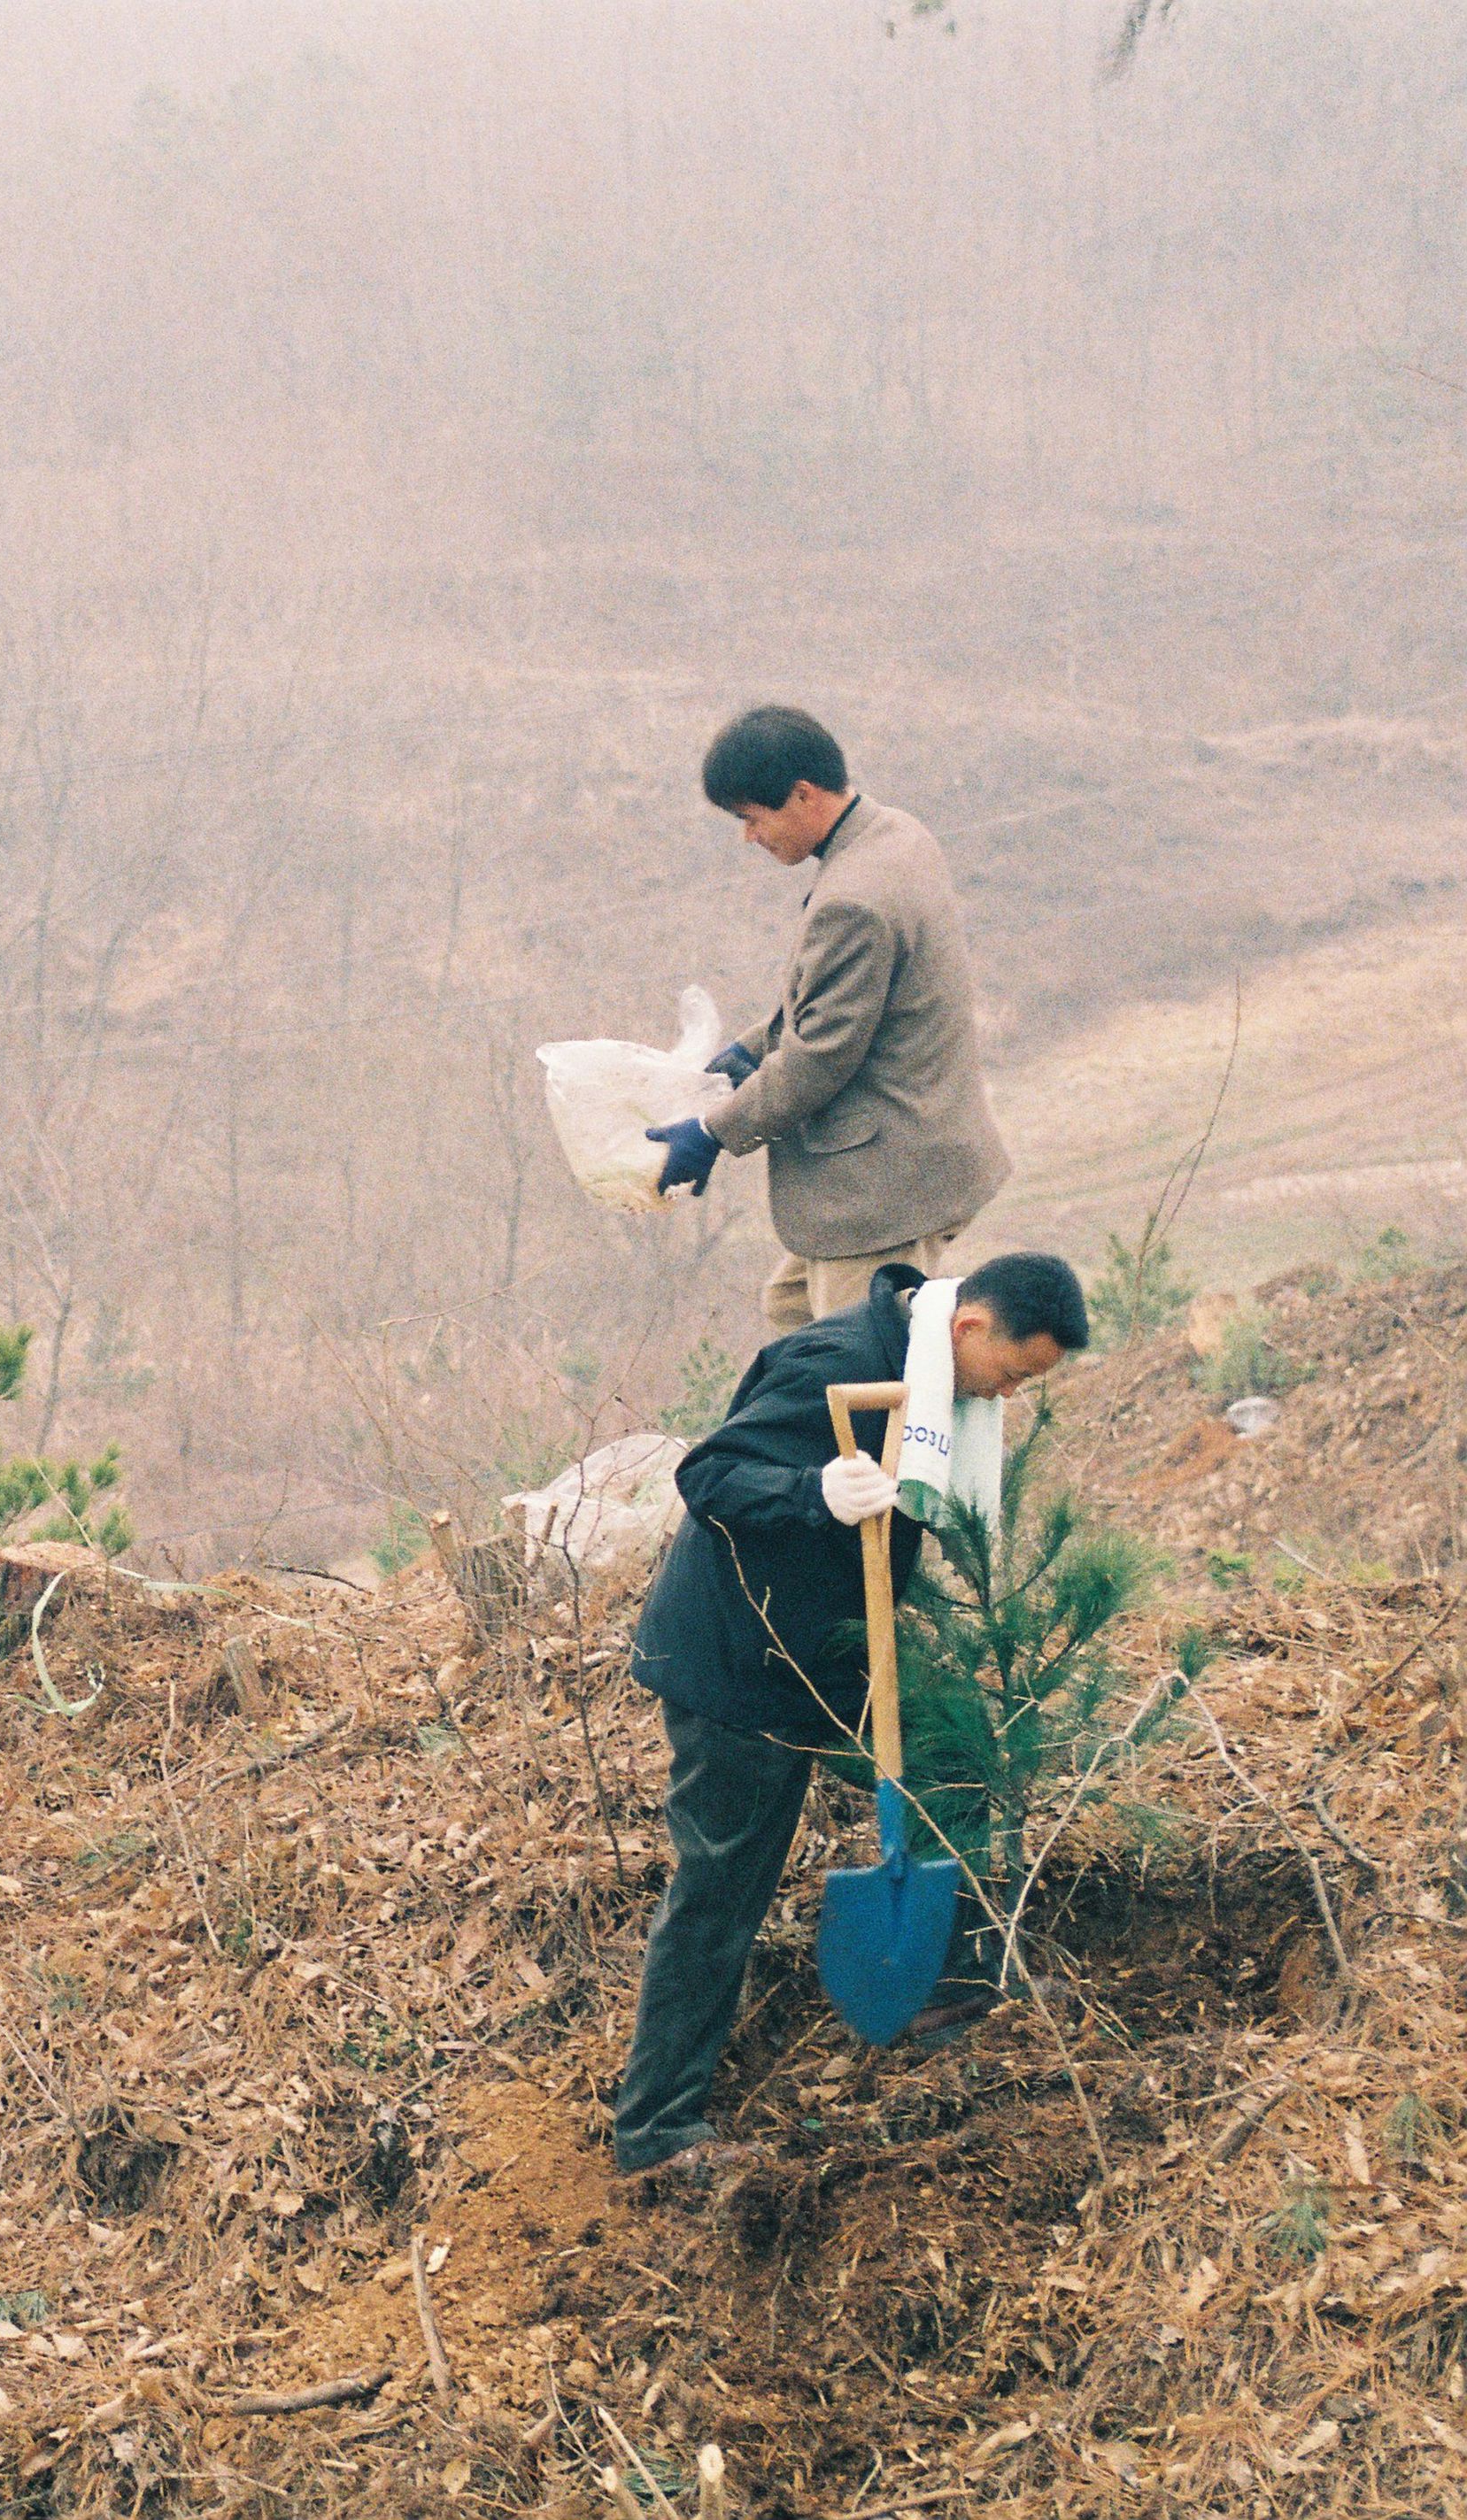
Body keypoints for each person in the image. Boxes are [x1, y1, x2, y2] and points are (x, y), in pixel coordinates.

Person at [606, 1252, 1091, 2190]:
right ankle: (656, 2130)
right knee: (721, 1893)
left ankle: (942, 1998)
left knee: (952, 1766)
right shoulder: (829, 1363)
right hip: (738, 1665)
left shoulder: (928, 1374)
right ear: (966, 1331)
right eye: (1015, 1374)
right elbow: (709, 1477)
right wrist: (812, 1494)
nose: (1010, 1396)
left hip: (833, 1652)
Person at [646, 706, 1012, 1332]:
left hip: (887, 1185)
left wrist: (710, 1133)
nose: (749, 837)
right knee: (792, 1309)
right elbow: (839, 1002)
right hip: (927, 1154)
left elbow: (820, 1058)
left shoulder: (854, 901)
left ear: (803, 795)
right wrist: (750, 1052)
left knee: (860, 1381)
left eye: (751, 818)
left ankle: (913, 1431)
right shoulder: (896, 834)